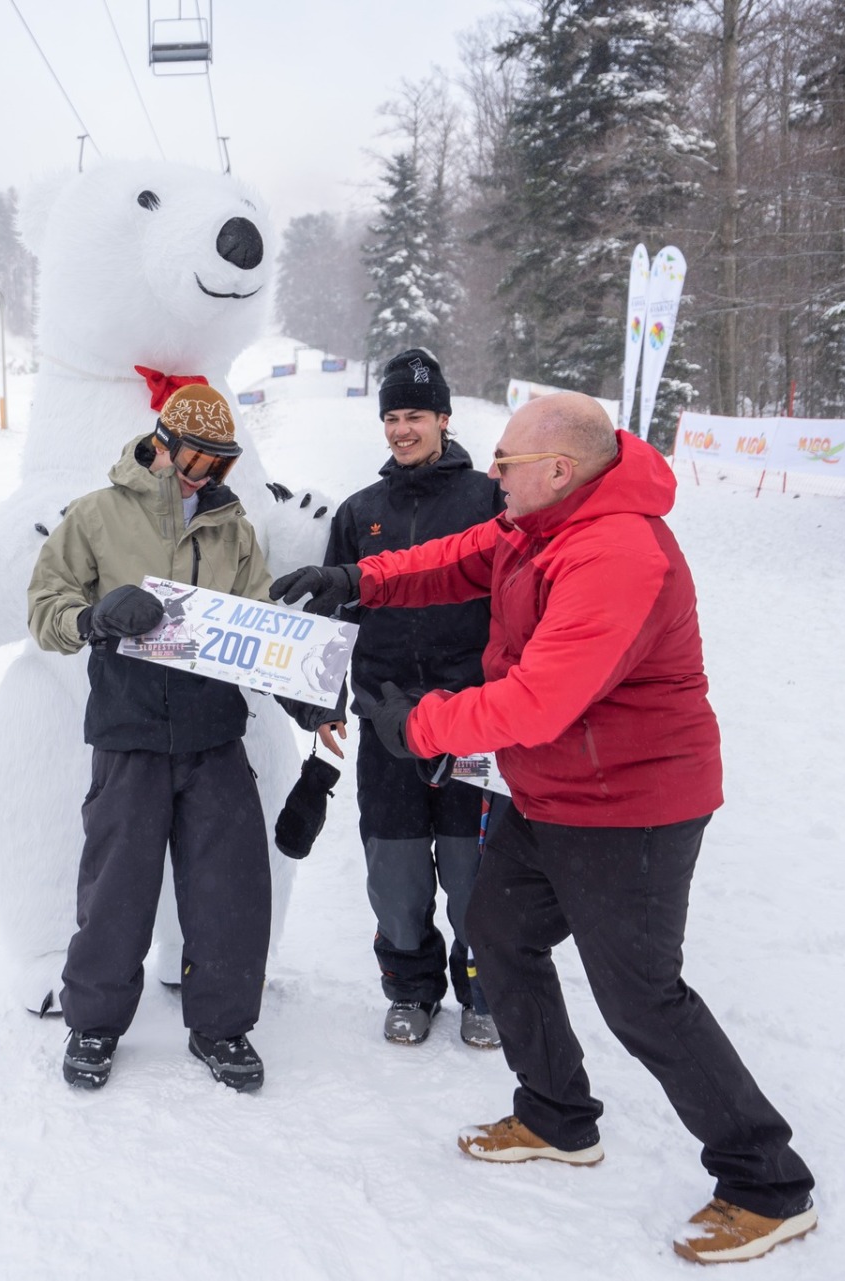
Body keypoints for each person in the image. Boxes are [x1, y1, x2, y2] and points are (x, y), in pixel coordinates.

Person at [271, 392, 817, 1265]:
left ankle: (766, 1181)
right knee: (499, 929)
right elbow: (457, 556)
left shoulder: (617, 552)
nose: (491, 474)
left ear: (559, 470)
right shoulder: (541, 521)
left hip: (631, 805)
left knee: (642, 996)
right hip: (556, 789)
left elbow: (536, 700)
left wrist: (418, 725)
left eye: (506, 463)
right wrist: (360, 579)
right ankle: (557, 1114)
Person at [27, 382, 275, 1094]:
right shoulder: (96, 515)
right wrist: (95, 617)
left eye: (221, 464)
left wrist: (306, 686)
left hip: (212, 732)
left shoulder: (233, 530)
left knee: (230, 887)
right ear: (160, 445)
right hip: (129, 730)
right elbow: (46, 607)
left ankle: (221, 1026)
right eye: (196, 459)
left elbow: (260, 622)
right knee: (117, 888)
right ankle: (94, 1022)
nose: (205, 476)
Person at [295, 348, 506, 1050]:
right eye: (391, 417)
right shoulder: (361, 512)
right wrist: (323, 701)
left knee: (475, 870)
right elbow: (334, 614)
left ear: (444, 418)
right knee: (396, 870)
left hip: (473, 720)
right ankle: (411, 987)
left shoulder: (487, 501)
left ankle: (484, 989)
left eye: (415, 414)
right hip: (386, 721)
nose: (401, 429)